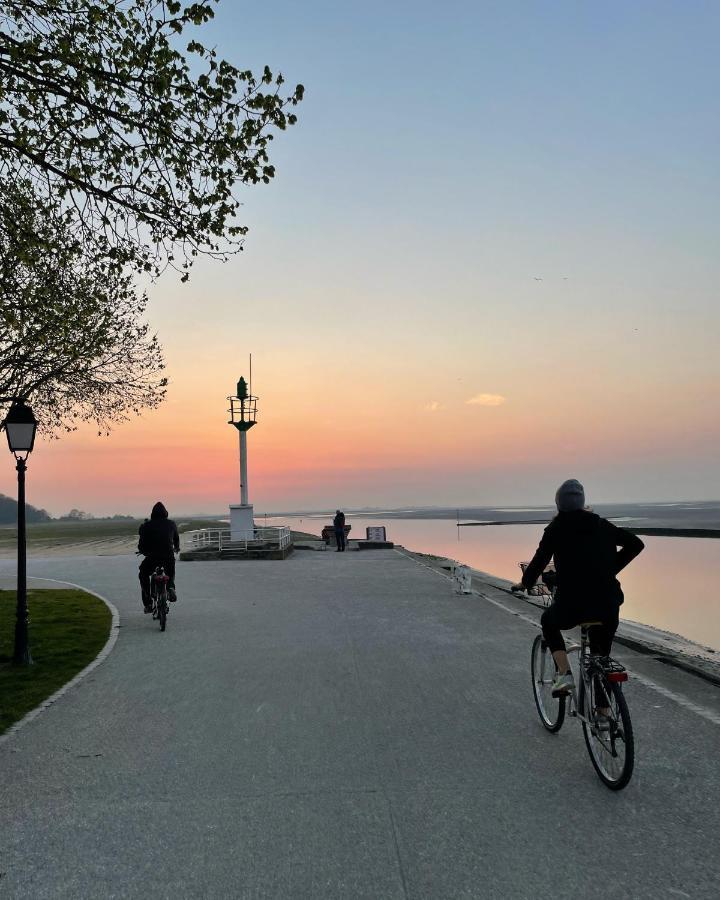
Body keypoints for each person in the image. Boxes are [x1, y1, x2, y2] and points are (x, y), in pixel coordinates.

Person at [511, 479, 644, 725]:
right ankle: (604, 716)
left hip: (573, 605)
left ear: (559, 504)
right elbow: (636, 544)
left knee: (548, 620)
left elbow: (539, 561)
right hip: (607, 604)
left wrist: (525, 583)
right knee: (600, 657)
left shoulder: (556, 529)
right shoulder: (600, 524)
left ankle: (563, 674)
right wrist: (610, 568)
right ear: (583, 503)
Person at [138, 501, 180, 612]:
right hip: (168, 556)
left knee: (143, 573)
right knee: (170, 572)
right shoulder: (171, 524)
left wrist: (143, 551)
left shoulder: (147, 525)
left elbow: (141, 544)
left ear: (152, 513)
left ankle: (148, 601)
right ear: (166, 513)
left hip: (152, 557)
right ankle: (170, 587)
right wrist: (176, 548)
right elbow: (176, 538)